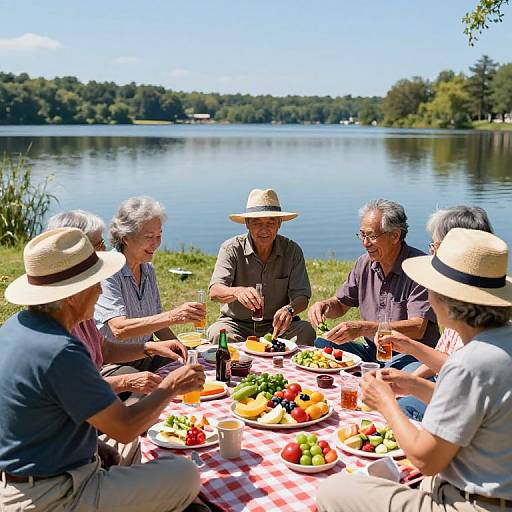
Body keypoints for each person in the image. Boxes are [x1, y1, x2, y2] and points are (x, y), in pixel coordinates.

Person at [0, 227, 206, 511]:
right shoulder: (60, 350)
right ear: (72, 295)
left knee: (132, 447)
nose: (100, 290)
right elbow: (125, 427)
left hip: (41, 474)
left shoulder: (18, 327)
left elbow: (43, 417)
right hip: (53, 495)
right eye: (95, 283)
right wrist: (171, 385)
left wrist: (94, 448)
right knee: (185, 473)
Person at [317, 227, 512, 512]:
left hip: (470, 503)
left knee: (334, 489)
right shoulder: (499, 344)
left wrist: (386, 403)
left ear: (447, 300)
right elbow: (472, 406)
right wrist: (413, 385)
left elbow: (424, 459)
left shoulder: (469, 362)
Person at [376, 206, 493, 421]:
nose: (431, 251)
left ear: (459, 251)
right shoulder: (468, 303)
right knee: (403, 370)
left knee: (403, 407)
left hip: (455, 399)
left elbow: (461, 391)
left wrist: (407, 390)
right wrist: (409, 378)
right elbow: (447, 361)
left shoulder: (479, 327)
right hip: (447, 386)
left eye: (436, 245)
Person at [309, 199, 438, 368]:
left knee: (392, 377)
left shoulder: (419, 268)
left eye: (371, 236)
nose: (365, 243)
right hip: (372, 351)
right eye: (362, 235)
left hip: (410, 355)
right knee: (322, 344)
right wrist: (325, 306)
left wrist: (363, 328)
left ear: (395, 236)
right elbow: (341, 304)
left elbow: (417, 327)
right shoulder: (364, 263)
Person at [95, 196, 205, 373]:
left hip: (148, 353)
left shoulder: (147, 270)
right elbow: (119, 329)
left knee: (195, 370)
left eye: (159, 236)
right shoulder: (108, 271)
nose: (156, 243)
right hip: (115, 361)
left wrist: (182, 349)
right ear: (125, 237)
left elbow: (158, 323)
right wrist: (175, 316)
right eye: (148, 237)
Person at [208, 188, 315, 345]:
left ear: (279, 224)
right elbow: (214, 291)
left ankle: (285, 369)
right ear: (247, 224)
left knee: (306, 331)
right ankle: (236, 369)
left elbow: (302, 297)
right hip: (237, 324)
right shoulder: (231, 248)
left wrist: (289, 310)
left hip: (278, 326)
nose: (264, 230)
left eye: (270, 223)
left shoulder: (292, 250)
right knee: (218, 334)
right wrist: (237, 292)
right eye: (257, 223)